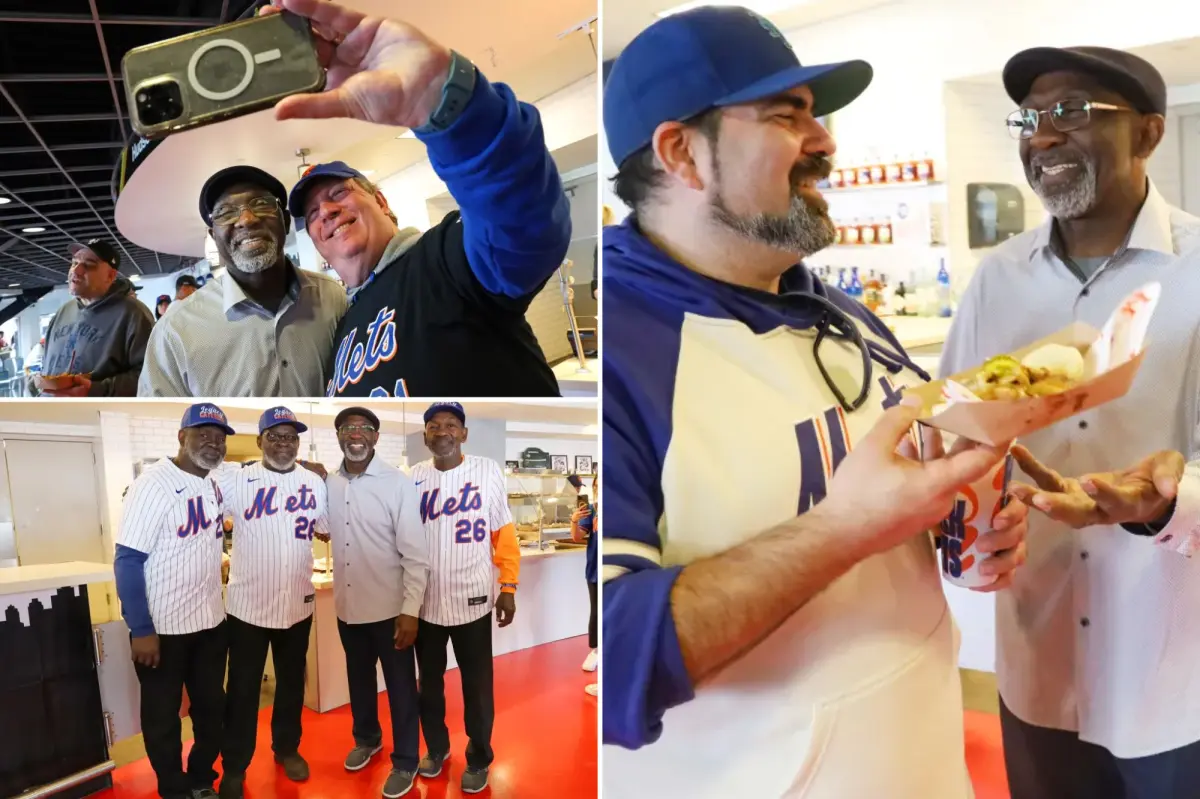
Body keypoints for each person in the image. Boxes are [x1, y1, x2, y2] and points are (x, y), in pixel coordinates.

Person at [600, 8, 1030, 798]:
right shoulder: (624, 350)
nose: (826, 139)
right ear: (681, 153)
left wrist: (964, 528)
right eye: (784, 115)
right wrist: (849, 527)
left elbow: (909, 502)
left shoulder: (841, 313)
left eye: (815, 112)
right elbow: (615, 662)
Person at [941, 46, 1200, 799]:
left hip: (1171, 667)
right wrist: (963, 523)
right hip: (1037, 652)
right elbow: (961, 431)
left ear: (1148, 134)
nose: (1042, 136)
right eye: (1031, 117)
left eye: (1074, 112)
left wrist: (1165, 505)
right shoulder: (999, 277)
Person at [273, 0, 571, 398]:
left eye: (339, 193)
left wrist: (449, 108)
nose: (326, 211)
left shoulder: (442, 258)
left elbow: (522, 222)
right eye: (311, 214)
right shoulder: (343, 327)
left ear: (382, 203)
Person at [112, 403, 235, 799]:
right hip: (163, 631)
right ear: (182, 437)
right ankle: (173, 787)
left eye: (219, 438)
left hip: (211, 625)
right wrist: (141, 629)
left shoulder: (214, 482)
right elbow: (128, 560)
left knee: (211, 710)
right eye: (203, 435)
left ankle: (201, 777)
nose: (213, 443)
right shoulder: (153, 484)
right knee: (163, 718)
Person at [139, 165, 348, 396]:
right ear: (213, 237)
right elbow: (156, 421)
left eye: (261, 204)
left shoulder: (333, 298)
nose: (247, 220)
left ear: (286, 222)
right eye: (226, 212)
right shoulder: (175, 331)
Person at [216, 407, 328, 799]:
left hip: (297, 605)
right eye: (275, 436)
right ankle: (235, 765)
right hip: (248, 608)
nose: (284, 444)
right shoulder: (237, 479)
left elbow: (329, 530)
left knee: (292, 684)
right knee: (243, 689)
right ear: (261, 440)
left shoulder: (314, 483)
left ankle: (287, 748)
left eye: (291, 437)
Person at [408, 402, 519, 794]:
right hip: (426, 604)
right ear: (425, 435)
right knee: (430, 685)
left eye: (451, 425)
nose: (443, 431)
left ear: (464, 434)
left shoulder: (488, 471)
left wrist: (508, 585)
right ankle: (436, 749)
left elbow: (503, 532)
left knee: (477, 685)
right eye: (434, 425)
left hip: (472, 597)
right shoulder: (413, 477)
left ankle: (479, 756)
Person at [325, 406, 429, 798]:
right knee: (360, 680)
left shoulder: (395, 483)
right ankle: (367, 738)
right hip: (347, 609)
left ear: (375, 437)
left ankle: (405, 761)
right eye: (348, 427)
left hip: (390, 611)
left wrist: (410, 610)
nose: (356, 434)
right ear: (338, 435)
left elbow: (415, 554)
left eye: (364, 428)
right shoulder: (329, 483)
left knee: (401, 687)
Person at [33, 238, 153, 397]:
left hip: (100, 417)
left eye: (89, 265)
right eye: (74, 262)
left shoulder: (134, 314)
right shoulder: (62, 313)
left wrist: (95, 390)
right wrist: (37, 384)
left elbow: (150, 376)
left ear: (110, 275)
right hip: (52, 415)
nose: (76, 270)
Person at [569, 473, 598, 696]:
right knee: (596, 613)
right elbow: (578, 537)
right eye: (596, 486)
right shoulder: (593, 510)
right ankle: (596, 651)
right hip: (595, 570)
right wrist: (574, 520)